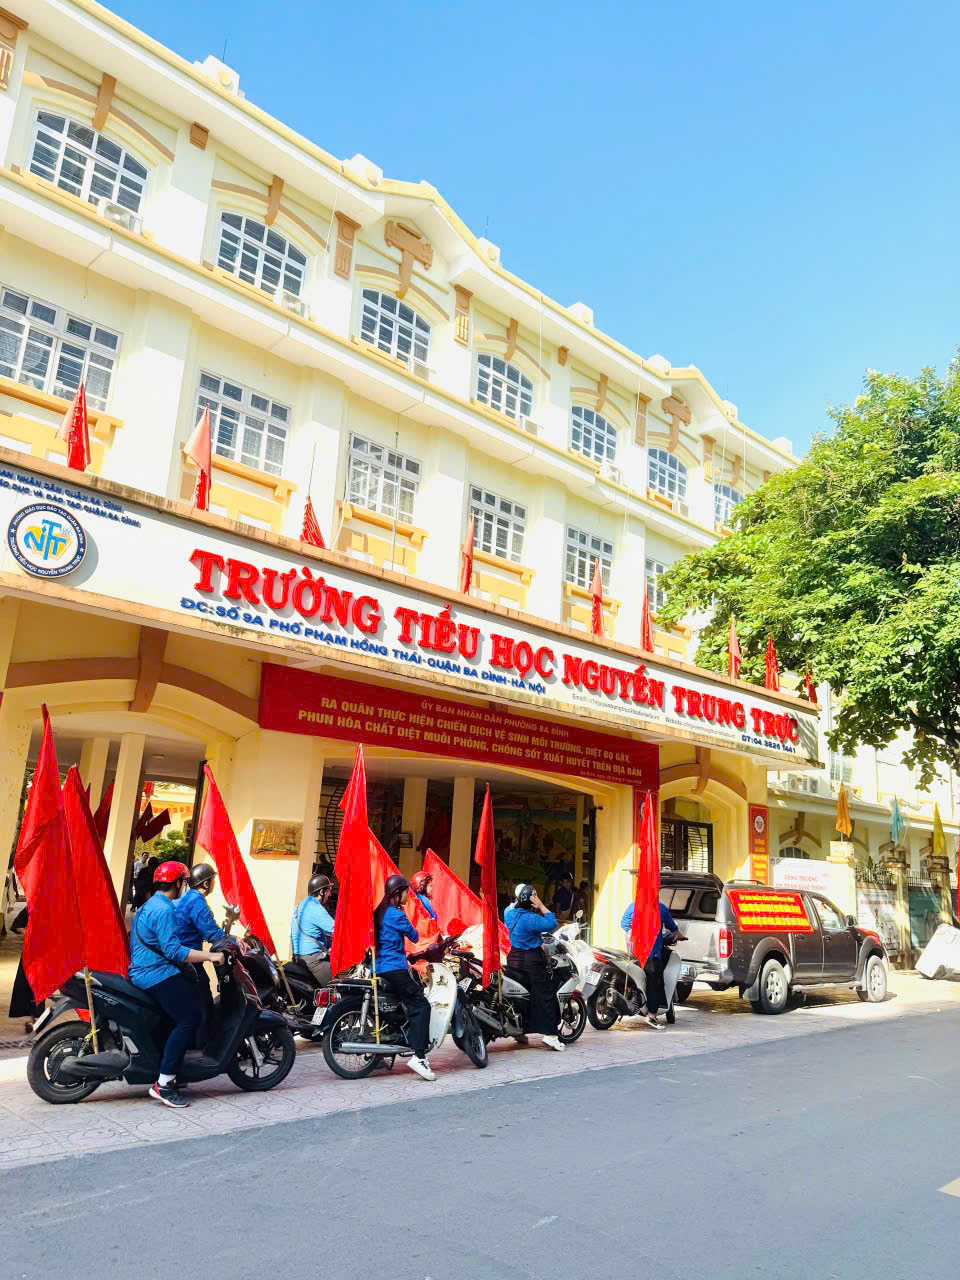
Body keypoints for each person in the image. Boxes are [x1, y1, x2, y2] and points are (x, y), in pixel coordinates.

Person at [129, 861, 225, 1109]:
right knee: (189, 1018)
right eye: (183, 881)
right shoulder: (165, 910)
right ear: (178, 883)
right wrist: (210, 956)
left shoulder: (149, 905)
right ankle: (165, 1083)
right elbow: (174, 951)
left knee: (175, 1017)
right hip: (156, 973)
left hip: (143, 970)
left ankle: (169, 1066)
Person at [374, 874, 435, 1081]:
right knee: (421, 1005)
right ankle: (419, 1056)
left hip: (380, 968)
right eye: (406, 892)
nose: (409, 895)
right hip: (395, 968)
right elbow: (415, 936)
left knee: (399, 1006)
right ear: (397, 894)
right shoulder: (396, 915)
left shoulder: (379, 913)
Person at [504, 884, 565, 1052]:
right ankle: (551, 1035)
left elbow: (509, 907)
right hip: (532, 960)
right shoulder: (531, 919)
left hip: (514, 959)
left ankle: (519, 1031)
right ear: (532, 901)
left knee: (519, 996)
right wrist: (541, 905)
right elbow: (552, 923)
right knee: (545, 995)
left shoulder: (509, 915)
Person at [174, 862, 228, 1025]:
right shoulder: (197, 902)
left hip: (179, 957)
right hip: (189, 961)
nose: (213, 884)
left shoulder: (187, 898)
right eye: (212, 880)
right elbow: (214, 934)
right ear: (206, 883)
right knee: (205, 1002)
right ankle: (204, 1041)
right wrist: (234, 941)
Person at [621, 898, 686, 1030]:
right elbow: (673, 929)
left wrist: (634, 933)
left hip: (634, 953)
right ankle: (651, 1016)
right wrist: (680, 936)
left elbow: (624, 925)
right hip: (652, 954)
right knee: (655, 983)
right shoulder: (661, 908)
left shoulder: (633, 906)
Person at [290, 874, 336, 987]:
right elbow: (337, 930)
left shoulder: (302, 905)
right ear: (321, 892)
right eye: (329, 890)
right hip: (313, 962)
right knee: (340, 989)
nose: (330, 894)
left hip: (298, 958)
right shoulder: (314, 907)